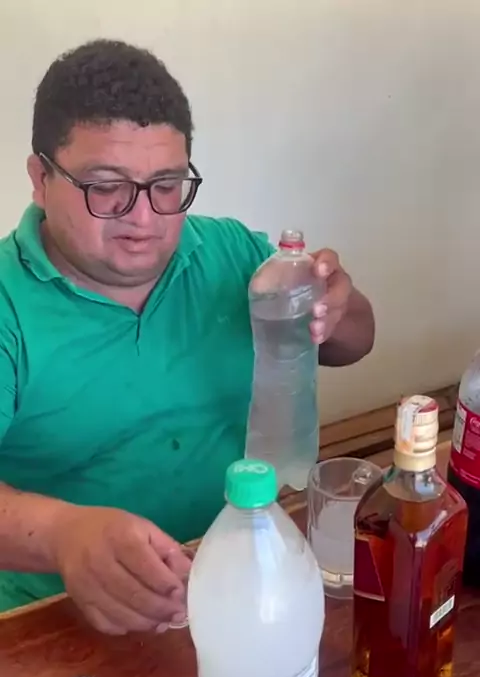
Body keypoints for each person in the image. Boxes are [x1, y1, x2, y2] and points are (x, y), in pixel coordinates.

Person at [0, 39, 375, 633]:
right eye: (106, 186)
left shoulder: (231, 253)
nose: (143, 218)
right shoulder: (9, 303)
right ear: (40, 179)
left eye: (167, 184)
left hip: (241, 573)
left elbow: (354, 342)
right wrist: (62, 534)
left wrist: (339, 306)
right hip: (61, 618)